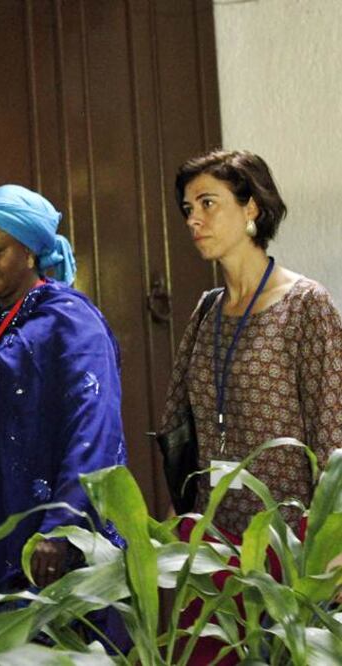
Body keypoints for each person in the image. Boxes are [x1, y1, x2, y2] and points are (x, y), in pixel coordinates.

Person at [160, 149, 342, 665]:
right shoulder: (204, 311)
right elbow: (178, 423)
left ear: (251, 210)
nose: (193, 218)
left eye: (208, 203)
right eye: (187, 207)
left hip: (291, 541)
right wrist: (175, 519)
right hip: (212, 540)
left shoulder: (306, 305)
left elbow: (335, 434)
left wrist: (334, 544)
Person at [0, 184, 127, 604]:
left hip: (48, 546)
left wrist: (63, 526)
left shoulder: (72, 323)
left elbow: (94, 431)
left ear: (30, 252)